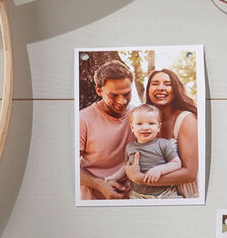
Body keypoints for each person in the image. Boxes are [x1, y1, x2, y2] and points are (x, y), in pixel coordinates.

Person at [128, 68, 200, 199]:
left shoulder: (186, 120)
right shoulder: (145, 123)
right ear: (148, 90)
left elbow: (190, 173)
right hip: (151, 196)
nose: (161, 88)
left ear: (176, 90)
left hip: (186, 194)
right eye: (155, 83)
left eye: (167, 84)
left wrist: (140, 179)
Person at [78, 60, 134, 200]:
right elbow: (68, 165)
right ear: (99, 91)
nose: (122, 101)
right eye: (114, 95)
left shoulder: (137, 115)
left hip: (130, 196)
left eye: (126, 93)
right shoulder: (83, 119)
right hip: (93, 197)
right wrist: (100, 185)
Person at [108, 104, 183, 199]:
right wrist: (114, 176)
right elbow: (126, 166)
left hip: (165, 193)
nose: (145, 127)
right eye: (139, 124)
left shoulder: (163, 144)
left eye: (151, 123)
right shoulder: (130, 147)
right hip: (137, 195)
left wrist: (159, 170)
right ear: (132, 128)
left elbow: (176, 163)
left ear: (158, 127)